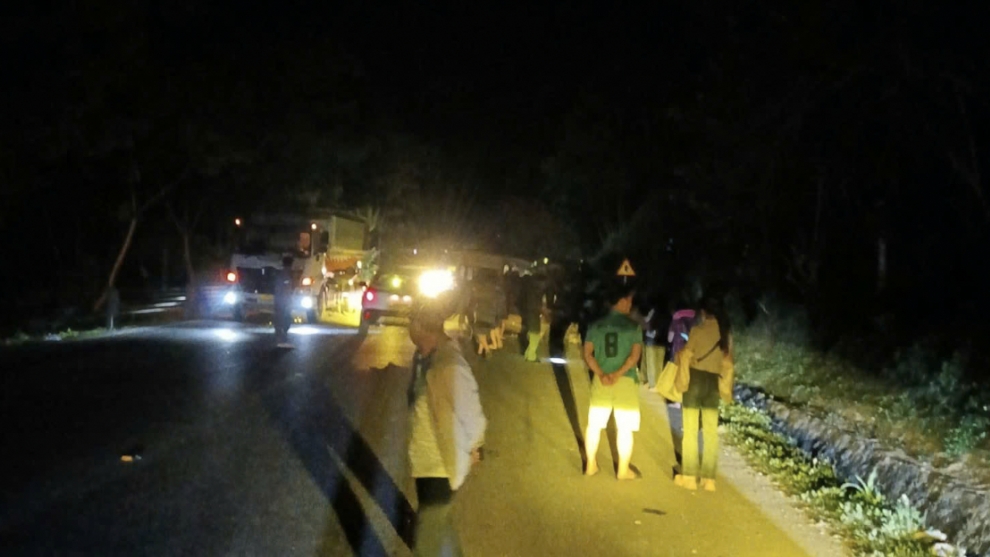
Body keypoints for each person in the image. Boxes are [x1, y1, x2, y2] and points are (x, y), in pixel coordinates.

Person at [407, 301, 487, 556]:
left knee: (427, 539)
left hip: (440, 464)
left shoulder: (449, 365)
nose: (408, 328)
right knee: (438, 525)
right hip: (425, 461)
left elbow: (472, 413)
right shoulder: (425, 357)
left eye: (410, 322)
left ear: (421, 327)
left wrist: (476, 446)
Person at [583, 283, 644, 480]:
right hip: (625, 381)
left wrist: (601, 374)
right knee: (625, 428)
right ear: (622, 301)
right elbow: (634, 357)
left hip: (601, 381)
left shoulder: (595, 326)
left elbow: (588, 354)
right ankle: (623, 470)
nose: (631, 305)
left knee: (594, 425)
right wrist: (618, 374)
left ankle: (590, 465)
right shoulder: (633, 327)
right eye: (629, 301)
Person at [674, 296, 732, 492]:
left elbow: (687, 354)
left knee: (690, 431)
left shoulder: (697, 331)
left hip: (695, 381)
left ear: (704, 312)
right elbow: (728, 361)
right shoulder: (725, 334)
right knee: (710, 433)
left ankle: (690, 476)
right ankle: (709, 479)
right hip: (713, 384)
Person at [518, 274, 544, 362]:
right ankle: (531, 356)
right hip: (533, 314)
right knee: (535, 335)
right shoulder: (536, 292)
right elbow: (536, 305)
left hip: (528, 314)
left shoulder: (526, 291)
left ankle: (528, 354)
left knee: (532, 334)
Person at [273, 255, 294, 346]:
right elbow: (285, 289)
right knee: (284, 317)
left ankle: (280, 333)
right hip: (283, 300)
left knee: (281, 317)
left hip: (280, 299)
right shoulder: (286, 275)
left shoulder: (282, 274)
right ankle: (281, 334)